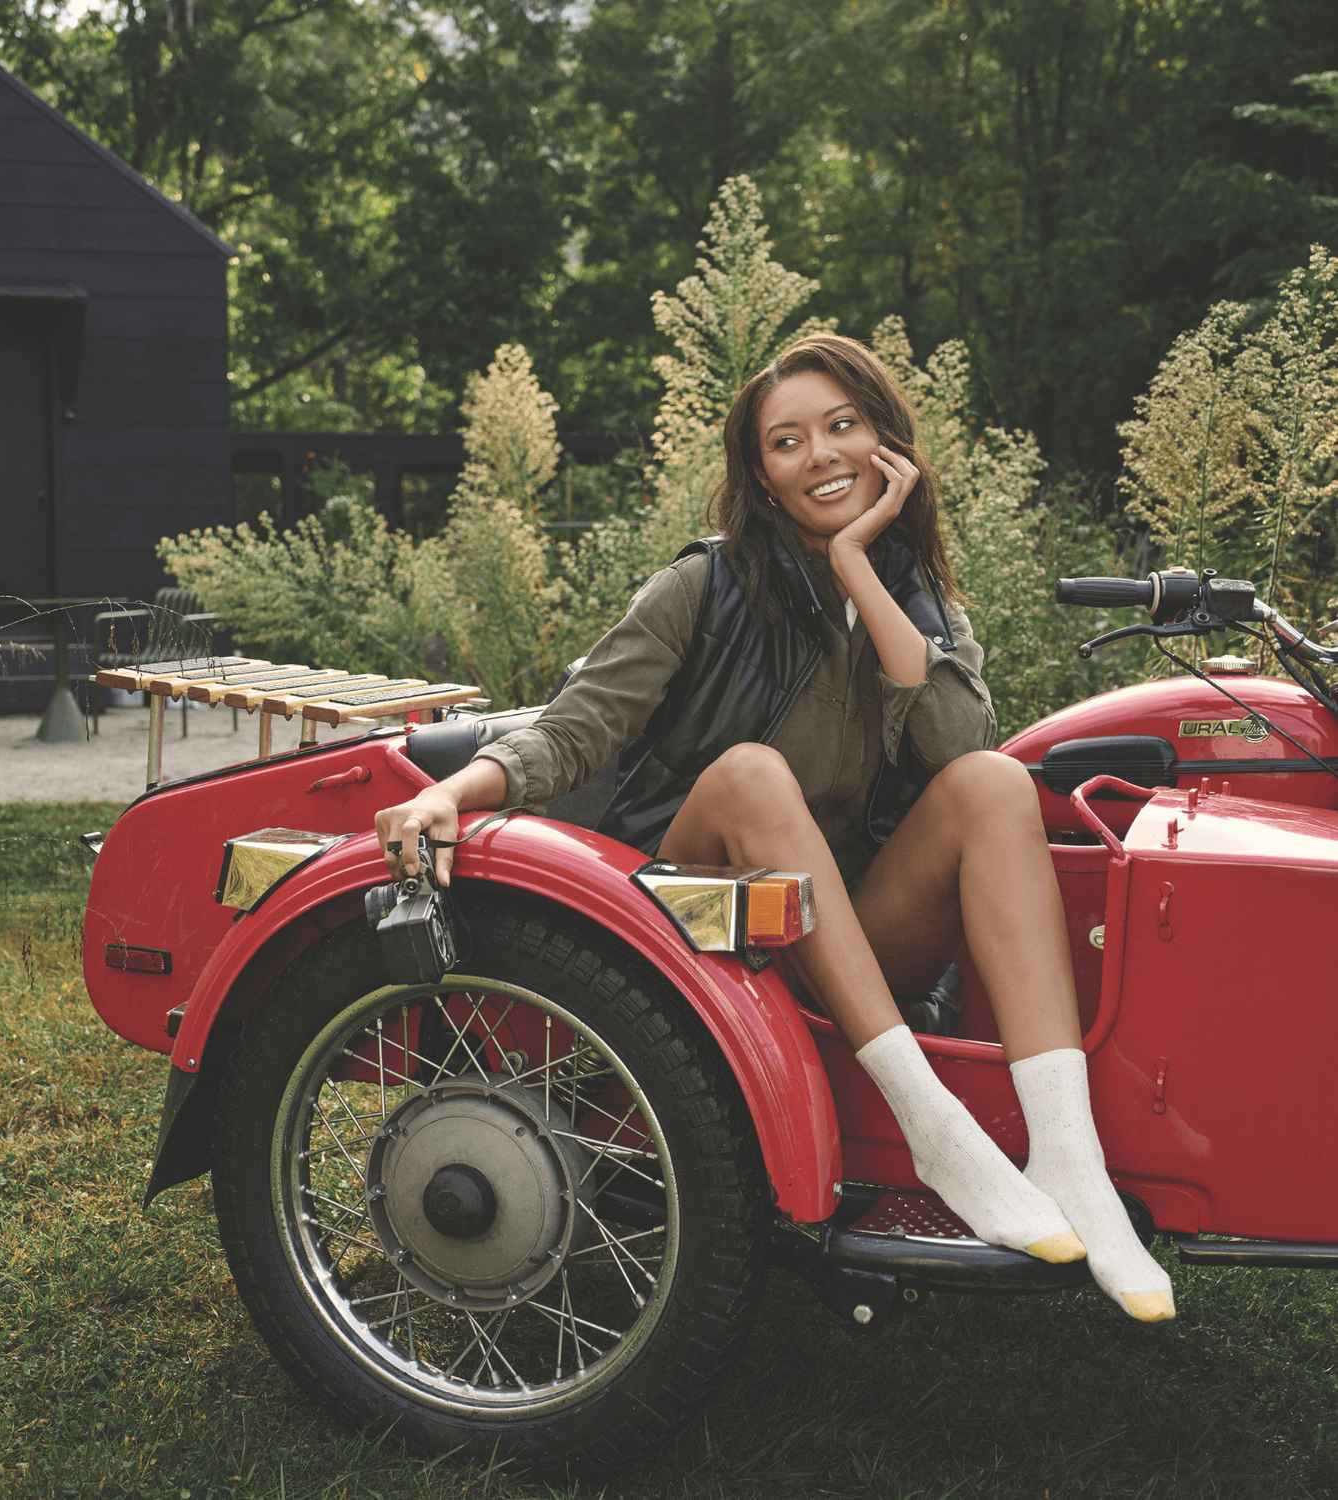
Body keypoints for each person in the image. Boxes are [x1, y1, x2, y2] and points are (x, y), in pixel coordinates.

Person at [375, 333, 1175, 1324]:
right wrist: (459, 791)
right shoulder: (703, 587)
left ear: (886, 443)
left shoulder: (918, 600)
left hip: (836, 925)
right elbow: (580, 723)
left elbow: (961, 740)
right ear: (759, 472)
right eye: (787, 441)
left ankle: (1069, 1158)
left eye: (841, 427)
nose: (821, 456)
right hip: (697, 915)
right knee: (754, 774)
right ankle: (934, 1128)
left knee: (996, 787)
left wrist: (860, 567)